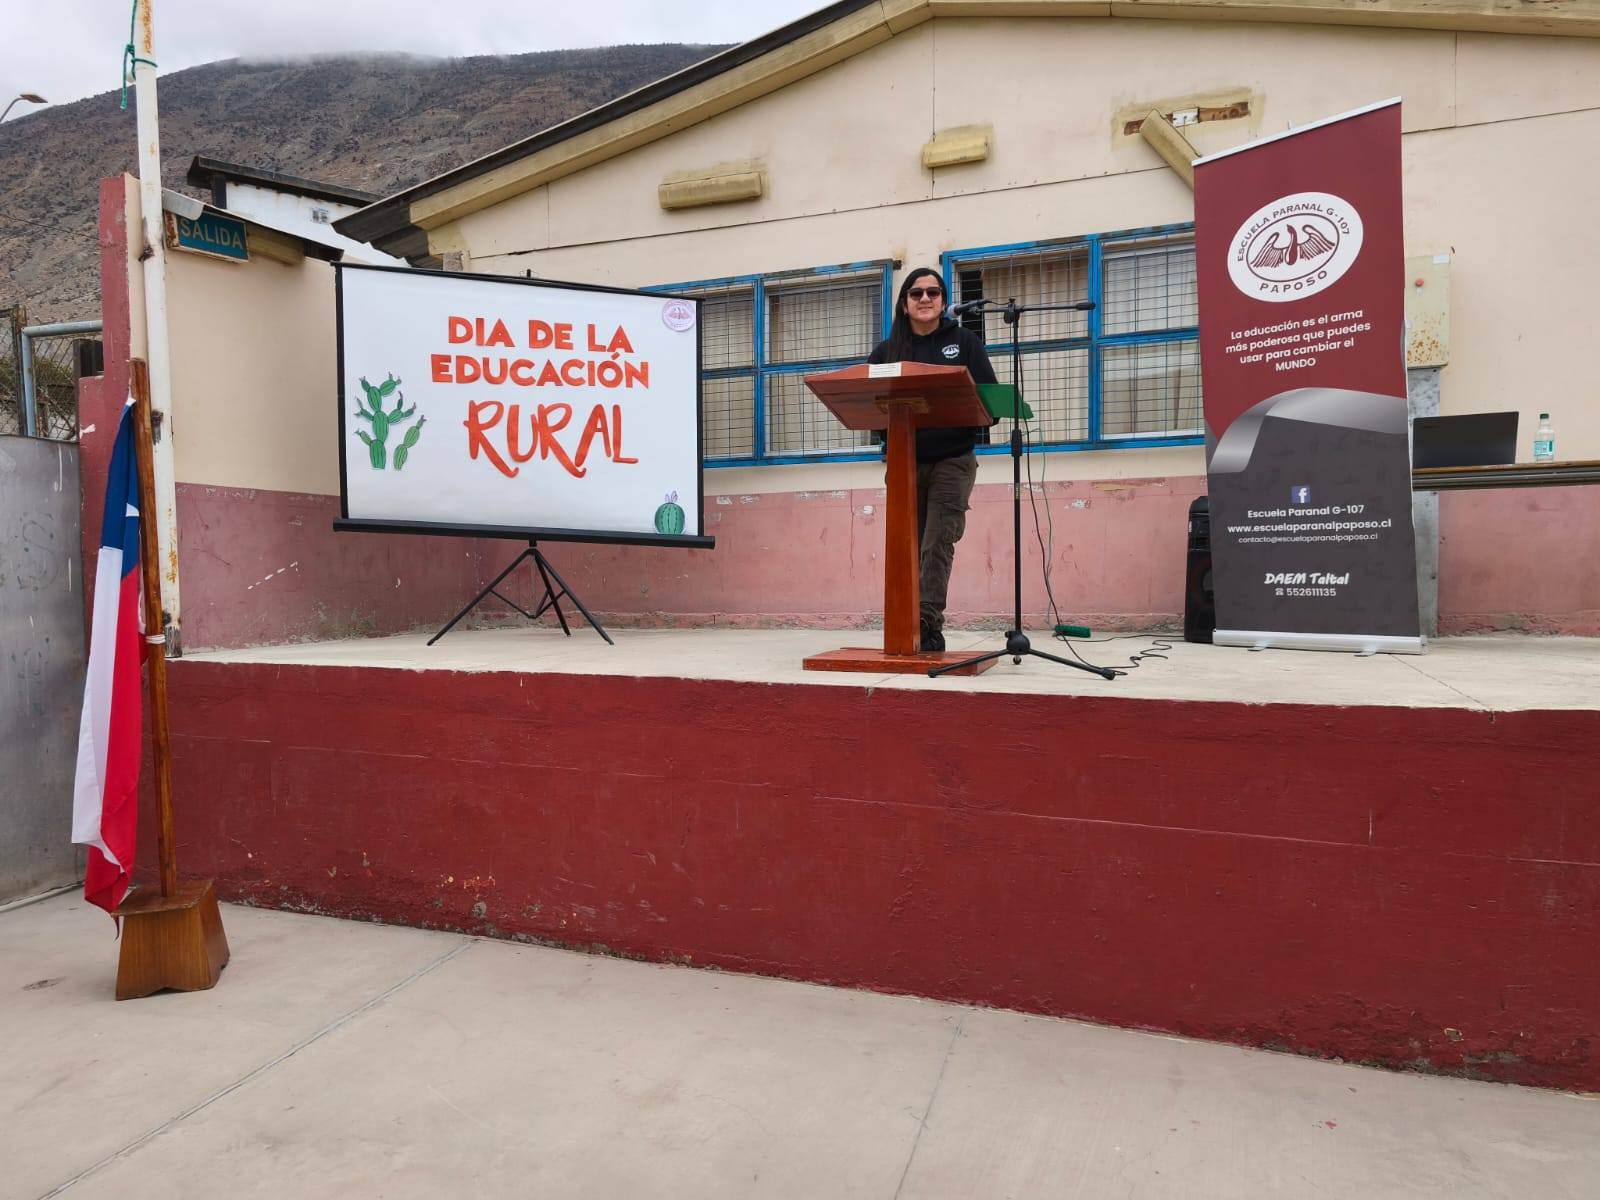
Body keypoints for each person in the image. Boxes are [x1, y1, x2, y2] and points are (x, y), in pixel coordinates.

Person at [867, 267, 997, 652]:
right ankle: (903, 620)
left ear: (943, 301)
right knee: (906, 545)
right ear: (904, 304)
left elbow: (990, 402)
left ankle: (926, 622)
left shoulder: (965, 342)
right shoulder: (887, 351)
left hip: (953, 459)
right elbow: (871, 405)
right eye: (916, 293)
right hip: (906, 461)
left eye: (934, 293)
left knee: (936, 542)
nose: (925, 299)